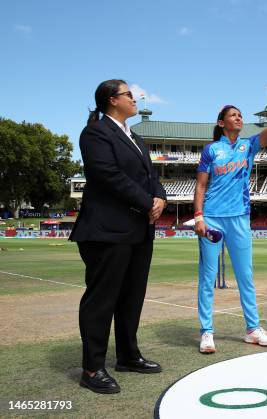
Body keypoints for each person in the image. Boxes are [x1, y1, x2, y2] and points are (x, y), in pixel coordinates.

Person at [194, 80, 267, 354]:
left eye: (240, 115)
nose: (239, 118)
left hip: (240, 218)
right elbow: (200, 186)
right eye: (233, 115)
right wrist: (198, 216)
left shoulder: (249, 145)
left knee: (246, 276)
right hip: (212, 218)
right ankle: (207, 332)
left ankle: (253, 329)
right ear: (221, 123)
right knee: (208, 276)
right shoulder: (211, 150)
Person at [70, 79, 167, 393]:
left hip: (138, 230)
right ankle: (92, 368)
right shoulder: (96, 132)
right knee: (102, 300)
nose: (135, 98)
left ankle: (127, 355)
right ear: (113, 100)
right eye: (129, 94)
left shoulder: (136, 138)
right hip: (107, 230)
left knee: (131, 297)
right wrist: (145, 202)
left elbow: (151, 176)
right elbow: (108, 174)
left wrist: (161, 198)